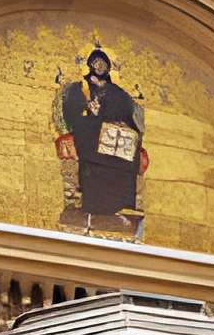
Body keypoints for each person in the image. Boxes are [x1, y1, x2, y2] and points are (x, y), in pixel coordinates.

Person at [55, 48, 147, 234]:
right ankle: (93, 206)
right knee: (92, 151)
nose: (99, 66)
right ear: (90, 65)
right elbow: (71, 113)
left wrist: (122, 123)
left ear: (107, 66)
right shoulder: (79, 88)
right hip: (88, 132)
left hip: (113, 136)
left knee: (130, 156)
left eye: (103, 63)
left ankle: (121, 204)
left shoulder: (117, 92)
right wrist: (88, 111)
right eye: (96, 63)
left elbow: (129, 115)